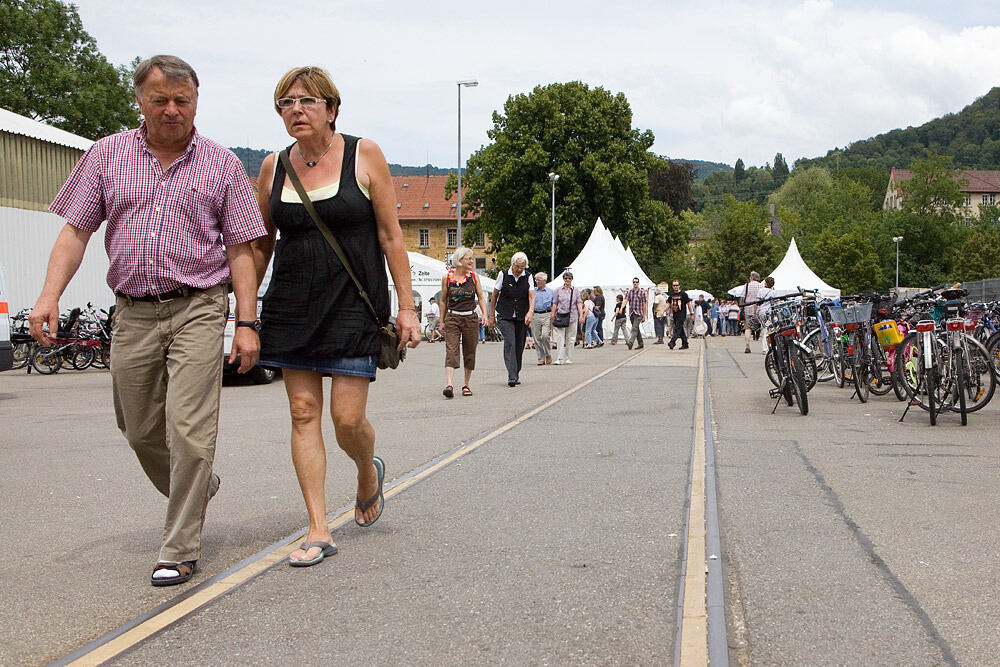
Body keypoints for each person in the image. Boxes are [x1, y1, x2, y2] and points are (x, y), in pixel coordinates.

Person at [28, 55, 267, 586]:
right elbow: (76, 232)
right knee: (138, 430)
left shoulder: (222, 164)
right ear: (140, 100)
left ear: (196, 102)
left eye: (182, 100)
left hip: (200, 305)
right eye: (160, 99)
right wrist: (48, 295)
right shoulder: (105, 156)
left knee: (190, 429)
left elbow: (242, 250)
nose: (171, 110)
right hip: (133, 311)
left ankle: (179, 547)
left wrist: (247, 322)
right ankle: (198, 485)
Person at [252, 66, 420, 567]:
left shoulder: (364, 154)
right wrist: (240, 309)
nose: (296, 110)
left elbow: (391, 236)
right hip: (291, 305)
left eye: (306, 100)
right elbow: (262, 244)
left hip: (354, 304)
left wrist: (408, 308)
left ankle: (367, 471)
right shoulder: (273, 167)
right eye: (286, 103)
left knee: (347, 418)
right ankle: (318, 527)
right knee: (303, 414)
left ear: (331, 108)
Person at [440, 247, 487, 395]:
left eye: (471, 258)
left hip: (470, 317)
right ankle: (449, 385)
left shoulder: (474, 277)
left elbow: (480, 298)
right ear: (459, 260)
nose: (471, 261)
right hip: (453, 317)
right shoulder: (447, 278)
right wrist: (441, 321)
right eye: (468, 258)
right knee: (451, 350)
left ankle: (466, 385)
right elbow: (443, 301)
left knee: (470, 350)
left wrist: (485, 314)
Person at [488, 252, 534, 387]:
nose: (519, 270)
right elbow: (495, 295)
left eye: (522, 267)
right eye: (517, 266)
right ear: (512, 264)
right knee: (510, 342)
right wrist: (492, 316)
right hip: (505, 315)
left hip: (521, 315)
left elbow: (531, 296)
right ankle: (511, 376)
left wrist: (530, 312)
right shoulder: (503, 274)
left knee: (519, 345)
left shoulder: (528, 277)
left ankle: (516, 372)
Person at [551, 271, 583, 364]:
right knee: (560, 337)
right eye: (566, 278)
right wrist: (552, 314)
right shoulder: (558, 290)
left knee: (571, 338)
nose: (567, 280)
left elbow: (579, 303)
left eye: (569, 278)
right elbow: (555, 303)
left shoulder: (575, 290)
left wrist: (581, 314)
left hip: (572, 315)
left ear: (572, 279)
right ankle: (560, 358)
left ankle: (569, 357)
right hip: (561, 315)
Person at [531, 271, 554, 365]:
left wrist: (553, 315)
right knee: (536, 337)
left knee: (545, 335)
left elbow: (554, 304)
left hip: (546, 314)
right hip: (535, 314)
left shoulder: (550, 292)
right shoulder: (533, 291)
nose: (537, 281)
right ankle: (540, 357)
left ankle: (548, 354)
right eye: (536, 280)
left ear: (544, 281)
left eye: (539, 280)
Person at [741, 271, 763, 353]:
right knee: (762, 327)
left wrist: (743, 306)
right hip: (758, 309)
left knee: (747, 328)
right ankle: (764, 348)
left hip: (748, 309)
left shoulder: (747, 285)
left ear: (752, 277)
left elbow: (743, 297)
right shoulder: (761, 286)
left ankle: (747, 346)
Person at [668, 280, 693, 350]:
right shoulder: (672, 295)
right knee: (680, 329)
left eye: (676, 285)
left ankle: (672, 342)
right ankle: (685, 344)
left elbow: (689, 304)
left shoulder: (683, 294)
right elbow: (669, 304)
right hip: (675, 314)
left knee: (677, 329)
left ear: (679, 286)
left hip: (682, 314)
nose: (675, 287)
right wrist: (663, 310)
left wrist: (692, 313)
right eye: (674, 285)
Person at [625, 278, 648, 350]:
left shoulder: (642, 292)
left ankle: (630, 342)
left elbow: (644, 304)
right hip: (632, 313)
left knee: (634, 328)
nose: (635, 283)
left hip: (639, 313)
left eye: (636, 282)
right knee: (636, 329)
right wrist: (622, 307)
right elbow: (625, 300)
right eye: (634, 282)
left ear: (638, 283)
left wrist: (644, 315)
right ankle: (640, 343)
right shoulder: (629, 292)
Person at [755, 276, 777, 353]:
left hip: (761, 311)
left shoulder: (761, 291)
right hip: (769, 312)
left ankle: (764, 348)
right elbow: (776, 302)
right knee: (769, 329)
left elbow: (757, 302)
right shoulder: (774, 292)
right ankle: (767, 347)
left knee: (764, 329)